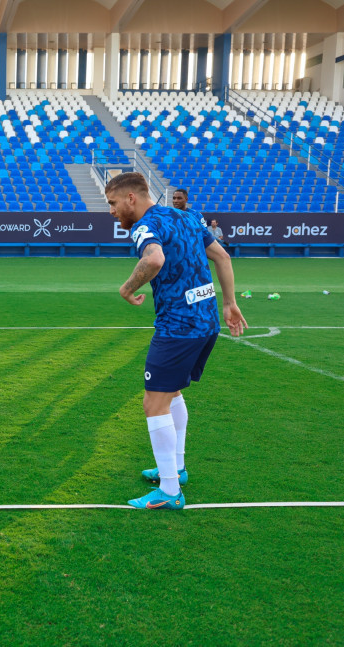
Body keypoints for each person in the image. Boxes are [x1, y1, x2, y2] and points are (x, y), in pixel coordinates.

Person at [106, 172, 247, 510]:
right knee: (172, 394)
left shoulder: (146, 226)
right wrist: (229, 302)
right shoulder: (187, 217)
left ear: (131, 199)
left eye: (112, 203)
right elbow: (223, 258)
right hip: (206, 321)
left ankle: (169, 491)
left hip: (177, 326)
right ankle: (177, 469)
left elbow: (154, 259)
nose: (110, 211)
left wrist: (127, 289)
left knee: (153, 404)